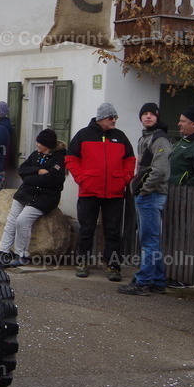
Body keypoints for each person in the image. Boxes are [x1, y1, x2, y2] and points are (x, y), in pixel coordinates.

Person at [66, 103, 136, 281]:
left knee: (113, 231)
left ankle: (113, 265)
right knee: (86, 229)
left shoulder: (120, 137)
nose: (114, 121)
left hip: (114, 192)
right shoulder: (83, 135)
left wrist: (125, 178)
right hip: (89, 191)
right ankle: (82, 262)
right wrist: (82, 178)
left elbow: (130, 160)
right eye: (111, 118)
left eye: (115, 118)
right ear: (101, 118)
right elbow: (71, 159)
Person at [118, 103, 173, 296]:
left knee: (149, 241)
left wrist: (144, 190)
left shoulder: (160, 139)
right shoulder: (146, 137)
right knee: (151, 240)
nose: (148, 117)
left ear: (158, 117)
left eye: (152, 114)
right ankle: (158, 281)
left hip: (152, 195)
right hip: (147, 194)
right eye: (145, 114)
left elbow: (160, 170)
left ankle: (143, 282)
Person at [0, 129, 66, 267]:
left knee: (22, 221)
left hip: (45, 197)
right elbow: (22, 170)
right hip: (26, 192)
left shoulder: (59, 159)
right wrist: (38, 171)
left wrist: (29, 178)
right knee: (12, 220)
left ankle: (21, 254)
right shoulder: (35, 155)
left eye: (39, 142)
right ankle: (2, 251)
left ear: (47, 144)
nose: (36, 144)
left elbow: (52, 179)